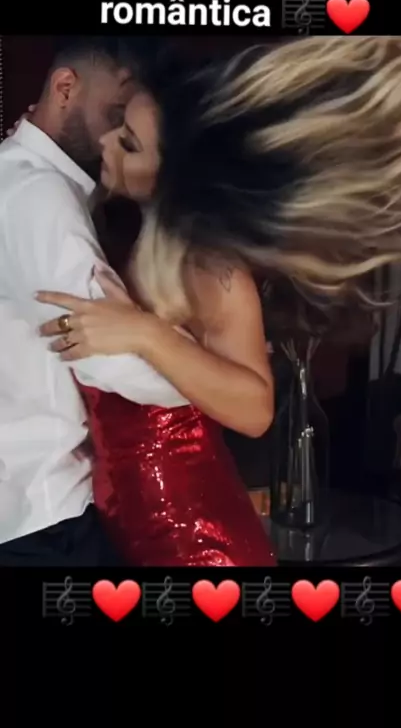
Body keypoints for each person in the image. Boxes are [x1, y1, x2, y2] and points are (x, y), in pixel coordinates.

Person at [2, 39, 276, 567]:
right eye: (117, 122)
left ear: (172, 175)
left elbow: (256, 410)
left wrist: (148, 334)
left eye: (127, 140)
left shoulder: (211, 265)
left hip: (193, 536)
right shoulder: (104, 227)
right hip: (112, 520)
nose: (108, 142)